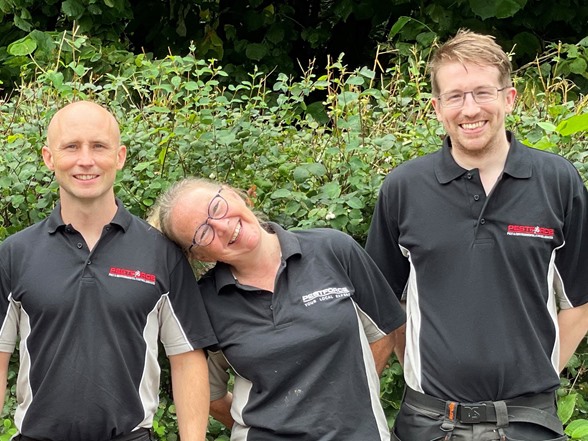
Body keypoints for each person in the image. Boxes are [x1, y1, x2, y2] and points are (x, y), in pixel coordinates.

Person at [365, 29, 588, 441]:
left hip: (528, 424)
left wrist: (539, 373)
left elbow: (580, 299)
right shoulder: (403, 188)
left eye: (483, 92)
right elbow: (384, 303)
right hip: (429, 424)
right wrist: (423, 370)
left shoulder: (557, 181)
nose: (470, 109)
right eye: (455, 96)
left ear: (509, 98)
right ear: (437, 107)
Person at [0, 101, 217, 441]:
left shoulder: (161, 253)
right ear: (48, 158)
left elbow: (187, 357)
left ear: (120, 156)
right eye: (71, 147)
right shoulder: (15, 254)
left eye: (99, 146)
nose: (86, 160)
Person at [150, 177, 406, 441]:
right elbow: (209, 394)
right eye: (203, 233)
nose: (222, 226)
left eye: (216, 207)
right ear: (200, 255)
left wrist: (350, 399)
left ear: (234, 194)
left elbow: (384, 330)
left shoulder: (333, 249)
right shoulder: (205, 302)